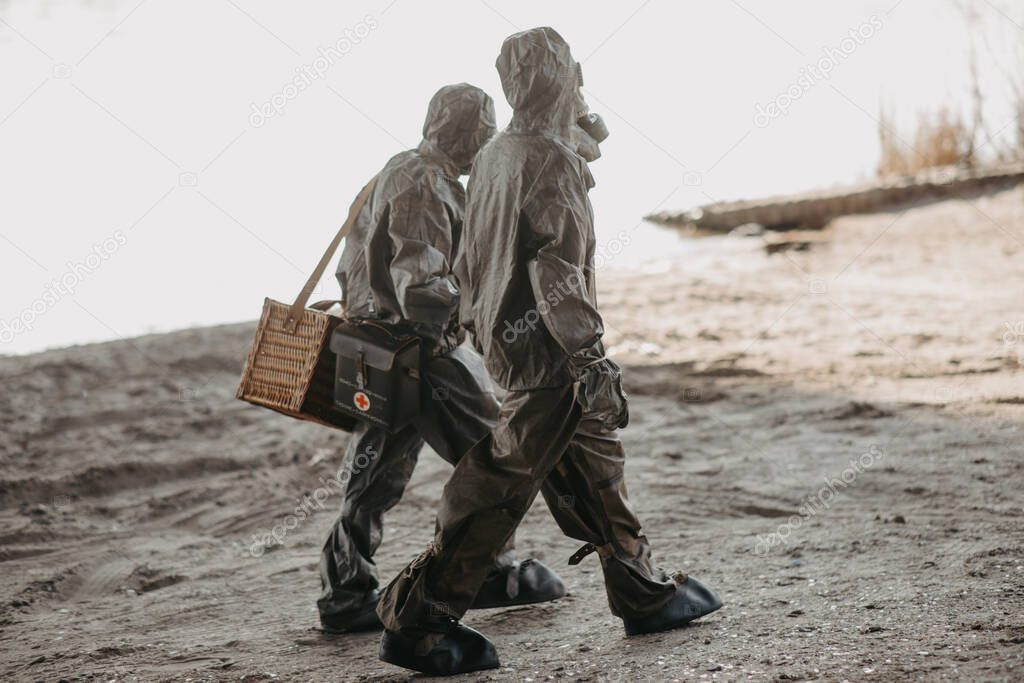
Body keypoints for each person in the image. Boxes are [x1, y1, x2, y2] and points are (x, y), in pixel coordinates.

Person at [376, 29, 722, 675]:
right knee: (501, 478)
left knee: (593, 462)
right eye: (575, 79)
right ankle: (417, 618)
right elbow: (556, 270)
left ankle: (642, 589)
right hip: (549, 352)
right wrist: (591, 360)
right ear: (563, 78)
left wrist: (483, 327)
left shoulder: (499, 153)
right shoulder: (548, 161)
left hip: (511, 343)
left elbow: (474, 255)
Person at [317, 83, 566, 634]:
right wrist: (481, 300)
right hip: (421, 352)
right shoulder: (426, 183)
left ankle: (346, 591)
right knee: (494, 455)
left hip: (379, 349)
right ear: (463, 130)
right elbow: (421, 290)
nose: (489, 139)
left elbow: (354, 269)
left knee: (375, 470)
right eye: (484, 128)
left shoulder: (400, 168)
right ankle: (484, 572)